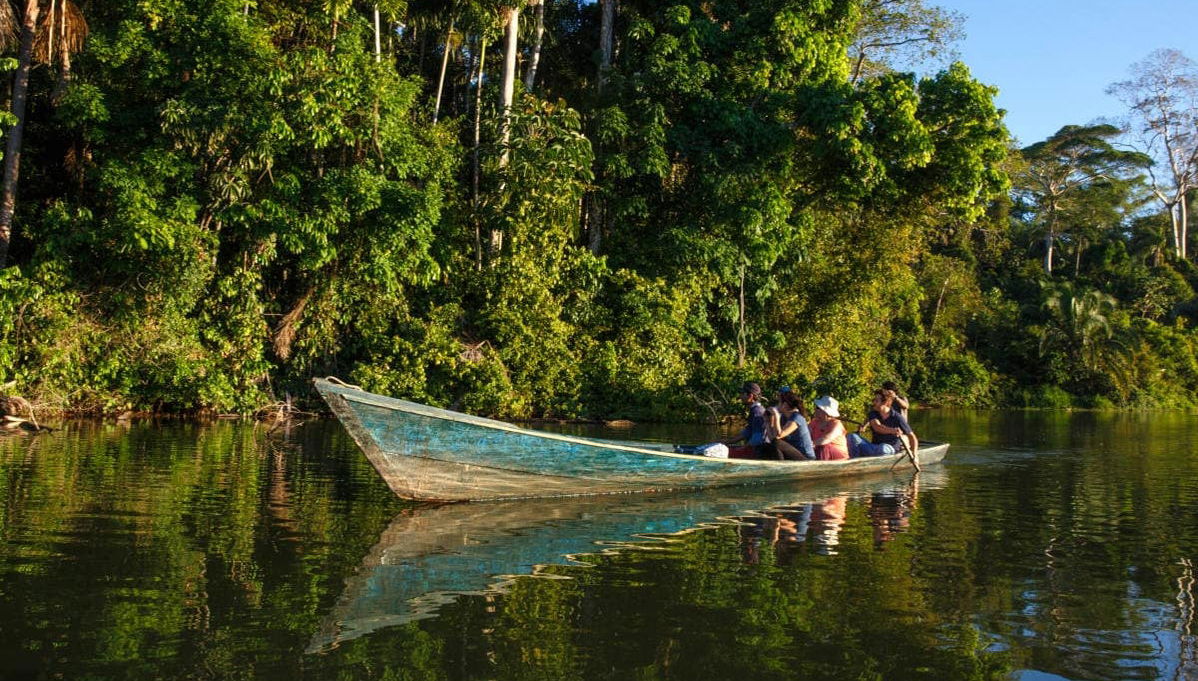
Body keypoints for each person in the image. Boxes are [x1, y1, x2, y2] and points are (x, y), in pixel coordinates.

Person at [850, 390, 918, 458]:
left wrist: (914, 454)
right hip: (874, 447)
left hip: (889, 449)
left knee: (882, 448)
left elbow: (912, 436)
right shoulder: (873, 413)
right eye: (873, 400)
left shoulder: (897, 417)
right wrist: (893, 430)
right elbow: (877, 427)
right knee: (852, 437)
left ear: (885, 402)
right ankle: (855, 460)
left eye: (876, 401)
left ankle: (867, 455)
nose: (873, 403)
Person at [724, 381, 772, 458]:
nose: (740, 396)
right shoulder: (754, 410)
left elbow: (757, 439)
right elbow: (746, 433)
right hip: (754, 449)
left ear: (750, 396)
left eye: (742, 393)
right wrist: (726, 441)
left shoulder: (757, 412)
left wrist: (742, 449)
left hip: (758, 452)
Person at [768, 388, 815, 461]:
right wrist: (767, 422)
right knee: (767, 446)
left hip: (805, 457)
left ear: (785, 405)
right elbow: (772, 438)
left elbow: (778, 436)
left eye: (779, 403)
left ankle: (780, 465)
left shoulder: (797, 417)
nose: (777, 405)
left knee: (777, 443)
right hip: (793, 453)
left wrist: (776, 416)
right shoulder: (784, 417)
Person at [808, 396, 849, 460]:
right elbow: (806, 434)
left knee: (824, 447)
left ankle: (821, 468)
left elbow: (826, 439)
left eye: (817, 408)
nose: (815, 409)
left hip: (839, 457)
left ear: (825, 412)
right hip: (818, 451)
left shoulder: (836, 424)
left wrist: (811, 444)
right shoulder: (814, 422)